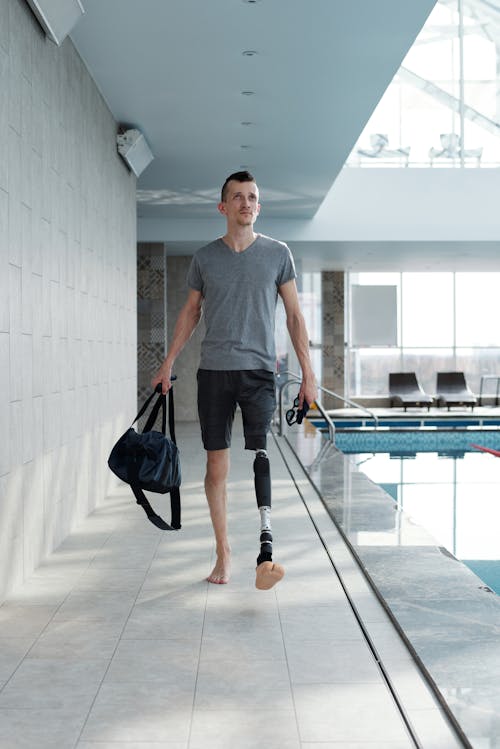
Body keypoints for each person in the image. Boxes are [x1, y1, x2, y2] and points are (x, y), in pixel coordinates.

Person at [152, 170, 317, 589]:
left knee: (261, 452)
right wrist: (168, 361)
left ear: (259, 206)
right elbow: (191, 313)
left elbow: (295, 317)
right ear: (223, 207)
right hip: (214, 372)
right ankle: (224, 552)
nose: (246, 203)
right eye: (238, 197)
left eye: (253, 197)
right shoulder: (205, 258)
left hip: (260, 370)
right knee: (216, 463)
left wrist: (308, 377)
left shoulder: (278, 253)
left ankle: (266, 549)